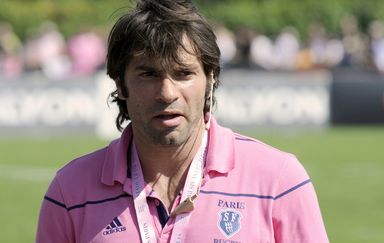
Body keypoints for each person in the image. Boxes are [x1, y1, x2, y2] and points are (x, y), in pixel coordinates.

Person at [36, 1, 329, 242]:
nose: (167, 93)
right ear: (120, 85)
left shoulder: (279, 180)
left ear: (210, 80)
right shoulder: (69, 190)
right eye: (148, 74)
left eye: (183, 73)